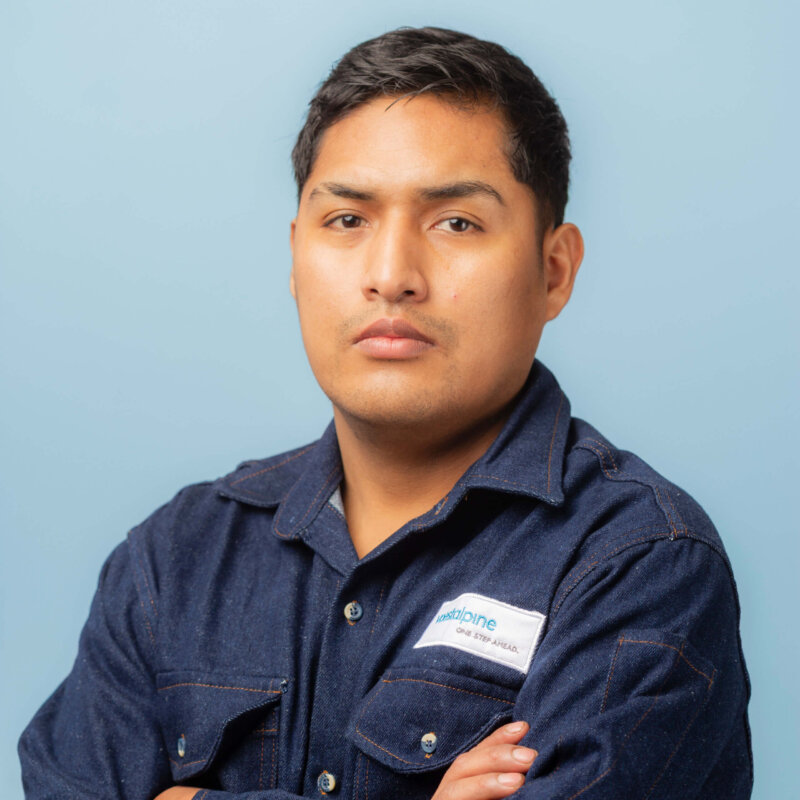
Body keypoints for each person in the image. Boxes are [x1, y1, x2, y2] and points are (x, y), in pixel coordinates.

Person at [18, 26, 752, 800]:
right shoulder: (174, 561)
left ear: (553, 270)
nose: (392, 274)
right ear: (295, 255)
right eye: (348, 220)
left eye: (456, 222)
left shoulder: (641, 563)